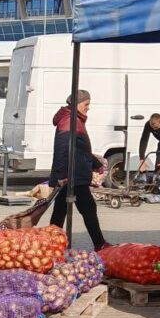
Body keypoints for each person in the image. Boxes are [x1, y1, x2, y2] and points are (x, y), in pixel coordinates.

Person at [48, 90, 110, 251]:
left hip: (74, 172)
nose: (88, 107)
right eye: (86, 104)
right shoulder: (70, 121)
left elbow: (80, 148)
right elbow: (62, 149)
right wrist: (62, 174)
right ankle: (99, 244)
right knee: (88, 208)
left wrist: (95, 163)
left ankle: (51, 244)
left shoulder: (74, 119)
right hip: (73, 175)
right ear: (77, 103)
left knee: (60, 210)